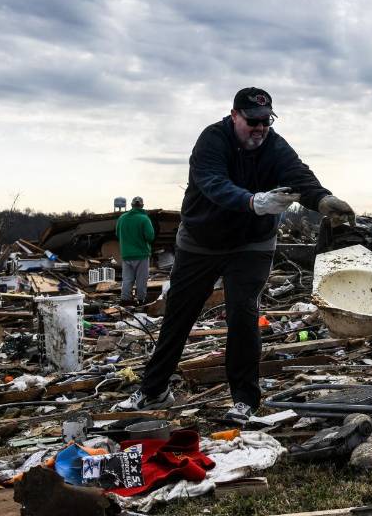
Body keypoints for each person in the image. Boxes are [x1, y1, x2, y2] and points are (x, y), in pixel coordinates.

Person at [119, 87, 354, 424]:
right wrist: (253, 201)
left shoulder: (275, 145)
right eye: (252, 122)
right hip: (201, 241)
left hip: (251, 244)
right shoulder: (212, 140)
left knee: (243, 314)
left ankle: (244, 399)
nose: (259, 129)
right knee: (179, 316)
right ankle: (154, 388)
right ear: (234, 116)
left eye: (265, 122)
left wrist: (322, 200)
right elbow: (213, 183)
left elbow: (298, 175)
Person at [115, 196, 156, 307]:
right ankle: (141, 301)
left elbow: (117, 234)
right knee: (141, 280)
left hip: (126, 255)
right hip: (141, 255)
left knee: (127, 279)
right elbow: (150, 237)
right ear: (142, 205)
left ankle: (125, 300)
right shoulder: (144, 218)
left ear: (132, 205)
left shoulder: (122, 218)